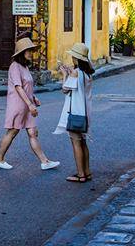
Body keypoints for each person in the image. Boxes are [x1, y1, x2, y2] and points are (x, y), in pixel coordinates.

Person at [0, 38, 60, 171]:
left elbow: (26, 86)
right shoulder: (15, 67)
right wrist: (30, 104)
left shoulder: (25, 67)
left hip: (27, 104)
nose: (31, 53)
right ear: (21, 52)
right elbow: (18, 87)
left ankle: (44, 161)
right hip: (18, 105)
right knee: (12, 132)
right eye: (28, 51)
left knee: (32, 132)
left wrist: (34, 98)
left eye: (31, 50)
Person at [55, 42, 94, 183]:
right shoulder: (87, 74)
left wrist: (64, 74)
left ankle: (80, 174)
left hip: (76, 113)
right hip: (85, 114)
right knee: (83, 142)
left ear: (76, 59)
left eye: (73, 57)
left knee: (76, 142)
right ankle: (87, 172)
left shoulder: (76, 73)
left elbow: (65, 89)